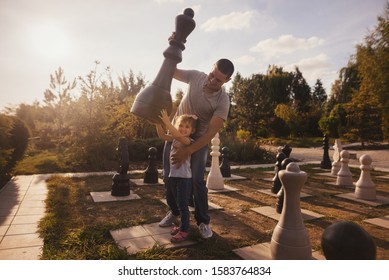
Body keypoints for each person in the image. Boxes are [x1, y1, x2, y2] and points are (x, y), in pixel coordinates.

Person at [158, 56, 234, 239]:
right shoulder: (196, 76)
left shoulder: (223, 101)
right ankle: (175, 212)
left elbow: (210, 133)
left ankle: (203, 222)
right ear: (211, 69)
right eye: (212, 74)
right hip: (175, 136)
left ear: (227, 81)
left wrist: (188, 151)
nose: (212, 80)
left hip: (198, 142)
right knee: (168, 177)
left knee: (197, 181)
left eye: (218, 79)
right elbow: (171, 70)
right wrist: (173, 48)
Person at [156, 109, 198, 243]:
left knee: (183, 206)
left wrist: (168, 123)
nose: (183, 129)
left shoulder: (188, 141)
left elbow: (179, 136)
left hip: (184, 178)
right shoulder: (174, 137)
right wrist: (157, 123)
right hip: (173, 176)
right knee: (177, 204)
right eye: (181, 125)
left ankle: (184, 231)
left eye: (187, 127)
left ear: (192, 130)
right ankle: (181, 226)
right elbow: (162, 136)